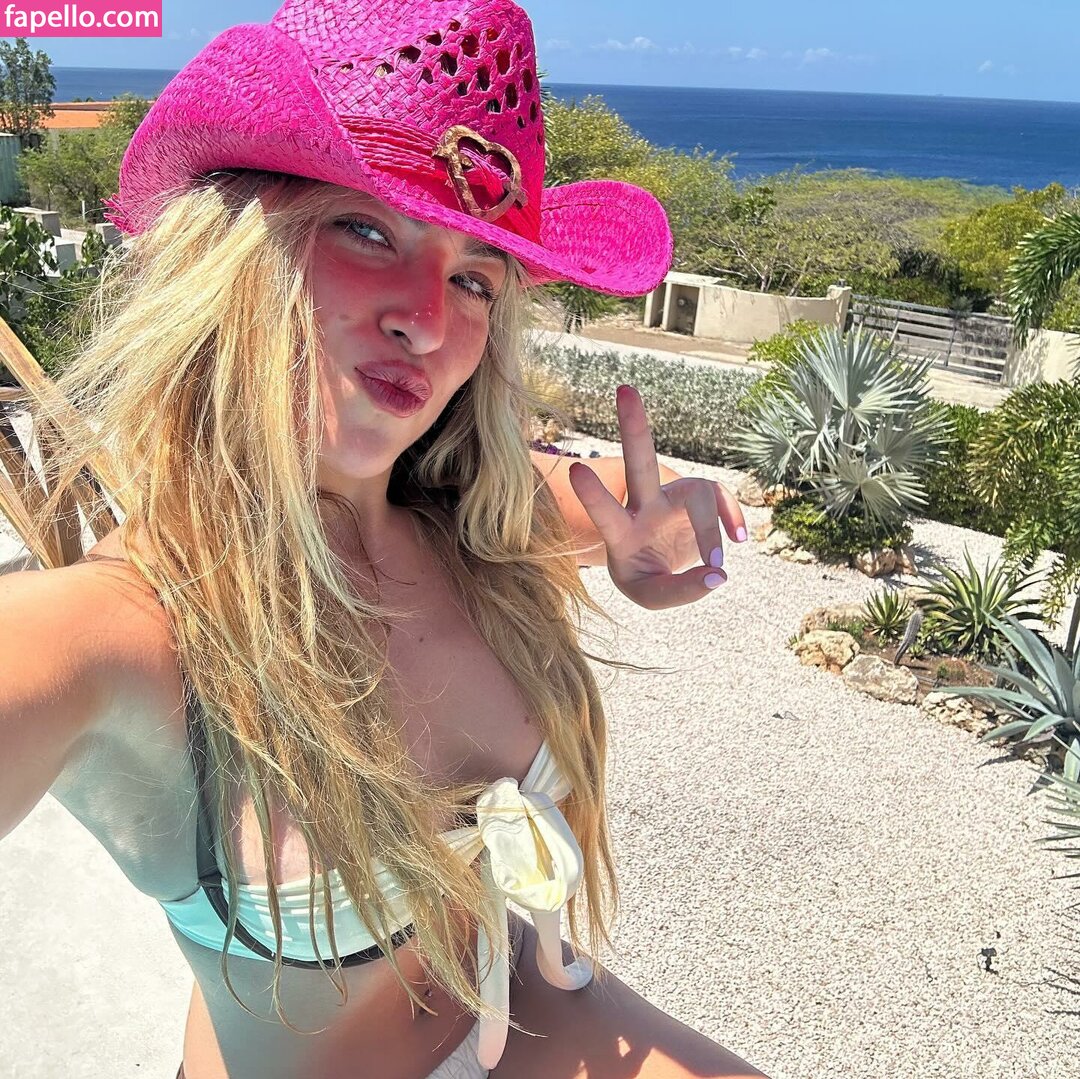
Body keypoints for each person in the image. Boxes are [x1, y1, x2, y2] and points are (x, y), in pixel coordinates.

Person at [0, 0, 767, 1076]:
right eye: (367, 230)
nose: (428, 318)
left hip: (539, 1009)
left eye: (474, 277)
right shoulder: (127, 626)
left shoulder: (468, 526)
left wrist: (659, 533)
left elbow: (590, 498)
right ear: (234, 249)